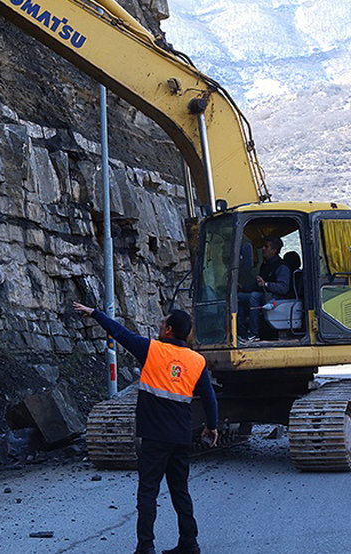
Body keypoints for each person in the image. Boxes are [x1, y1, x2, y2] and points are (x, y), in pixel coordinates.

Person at [73, 302, 218, 554]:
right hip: (181, 436)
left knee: (148, 491)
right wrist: (213, 426)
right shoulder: (197, 361)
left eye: (163, 322)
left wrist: (95, 313)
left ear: (169, 330)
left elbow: (119, 333)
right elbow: (209, 397)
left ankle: (146, 547)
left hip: (154, 435)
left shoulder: (152, 350)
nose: (159, 325)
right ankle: (189, 543)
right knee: (180, 491)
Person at [237, 236, 291, 341]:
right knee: (238, 297)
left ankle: (254, 333)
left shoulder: (282, 267)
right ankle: (241, 332)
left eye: (266, 247)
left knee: (254, 296)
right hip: (265, 295)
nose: (263, 249)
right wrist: (242, 288)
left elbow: (284, 288)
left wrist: (266, 285)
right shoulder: (265, 265)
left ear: (274, 251)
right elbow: (258, 285)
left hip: (276, 297)